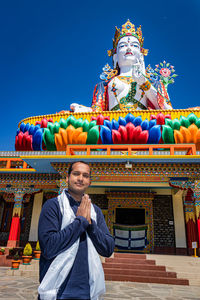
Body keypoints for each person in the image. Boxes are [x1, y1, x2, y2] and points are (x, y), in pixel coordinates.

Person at [38, 161, 114, 300]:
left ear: (89, 181)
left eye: (85, 175)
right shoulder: (53, 206)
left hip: (88, 291)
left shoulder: (94, 211)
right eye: (76, 174)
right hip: (58, 291)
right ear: (67, 178)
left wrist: (90, 225)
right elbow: (48, 247)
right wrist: (80, 222)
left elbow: (108, 249)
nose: (80, 178)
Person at [70, 20, 173, 113]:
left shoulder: (154, 84)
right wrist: (85, 111)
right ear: (115, 57)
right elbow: (97, 112)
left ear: (141, 56)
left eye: (134, 45)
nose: (128, 48)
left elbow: (169, 111)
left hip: (146, 128)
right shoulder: (104, 86)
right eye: (123, 46)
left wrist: (143, 82)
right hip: (112, 128)